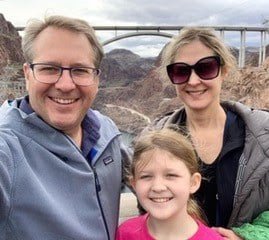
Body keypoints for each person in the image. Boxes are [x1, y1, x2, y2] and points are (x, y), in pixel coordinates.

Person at [0, 15, 130, 240]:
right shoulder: (8, 150)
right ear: (27, 73)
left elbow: (155, 177)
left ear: (96, 79)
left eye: (80, 70)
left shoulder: (106, 132)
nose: (65, 85)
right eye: (49, 68)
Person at [143, 27, 269, 239]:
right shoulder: (153, 141)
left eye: (206, 68)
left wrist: (248, 236)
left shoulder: (263, 135)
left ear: (224, 70)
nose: (193, 81)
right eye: (181, 71)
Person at [116, 127, 223, 240]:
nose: (158, 187)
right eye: (146, 176)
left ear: (193, 183)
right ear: (134, 184)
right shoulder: (125, 234)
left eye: (171, 175)